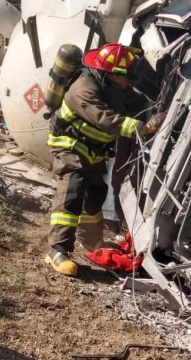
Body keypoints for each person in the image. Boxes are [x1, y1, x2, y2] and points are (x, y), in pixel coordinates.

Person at [45, 42, 164, 276]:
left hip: (92, 151)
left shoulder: (111, 84)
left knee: (95, 193)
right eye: (127, 77)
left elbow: (134, 102)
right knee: (72, 192)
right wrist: (144, 128)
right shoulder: (84, 90)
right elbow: (106, 119)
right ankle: (57, 250)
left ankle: (90, 242)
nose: (130, 81)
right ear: (111, 73)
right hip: (70, 147)